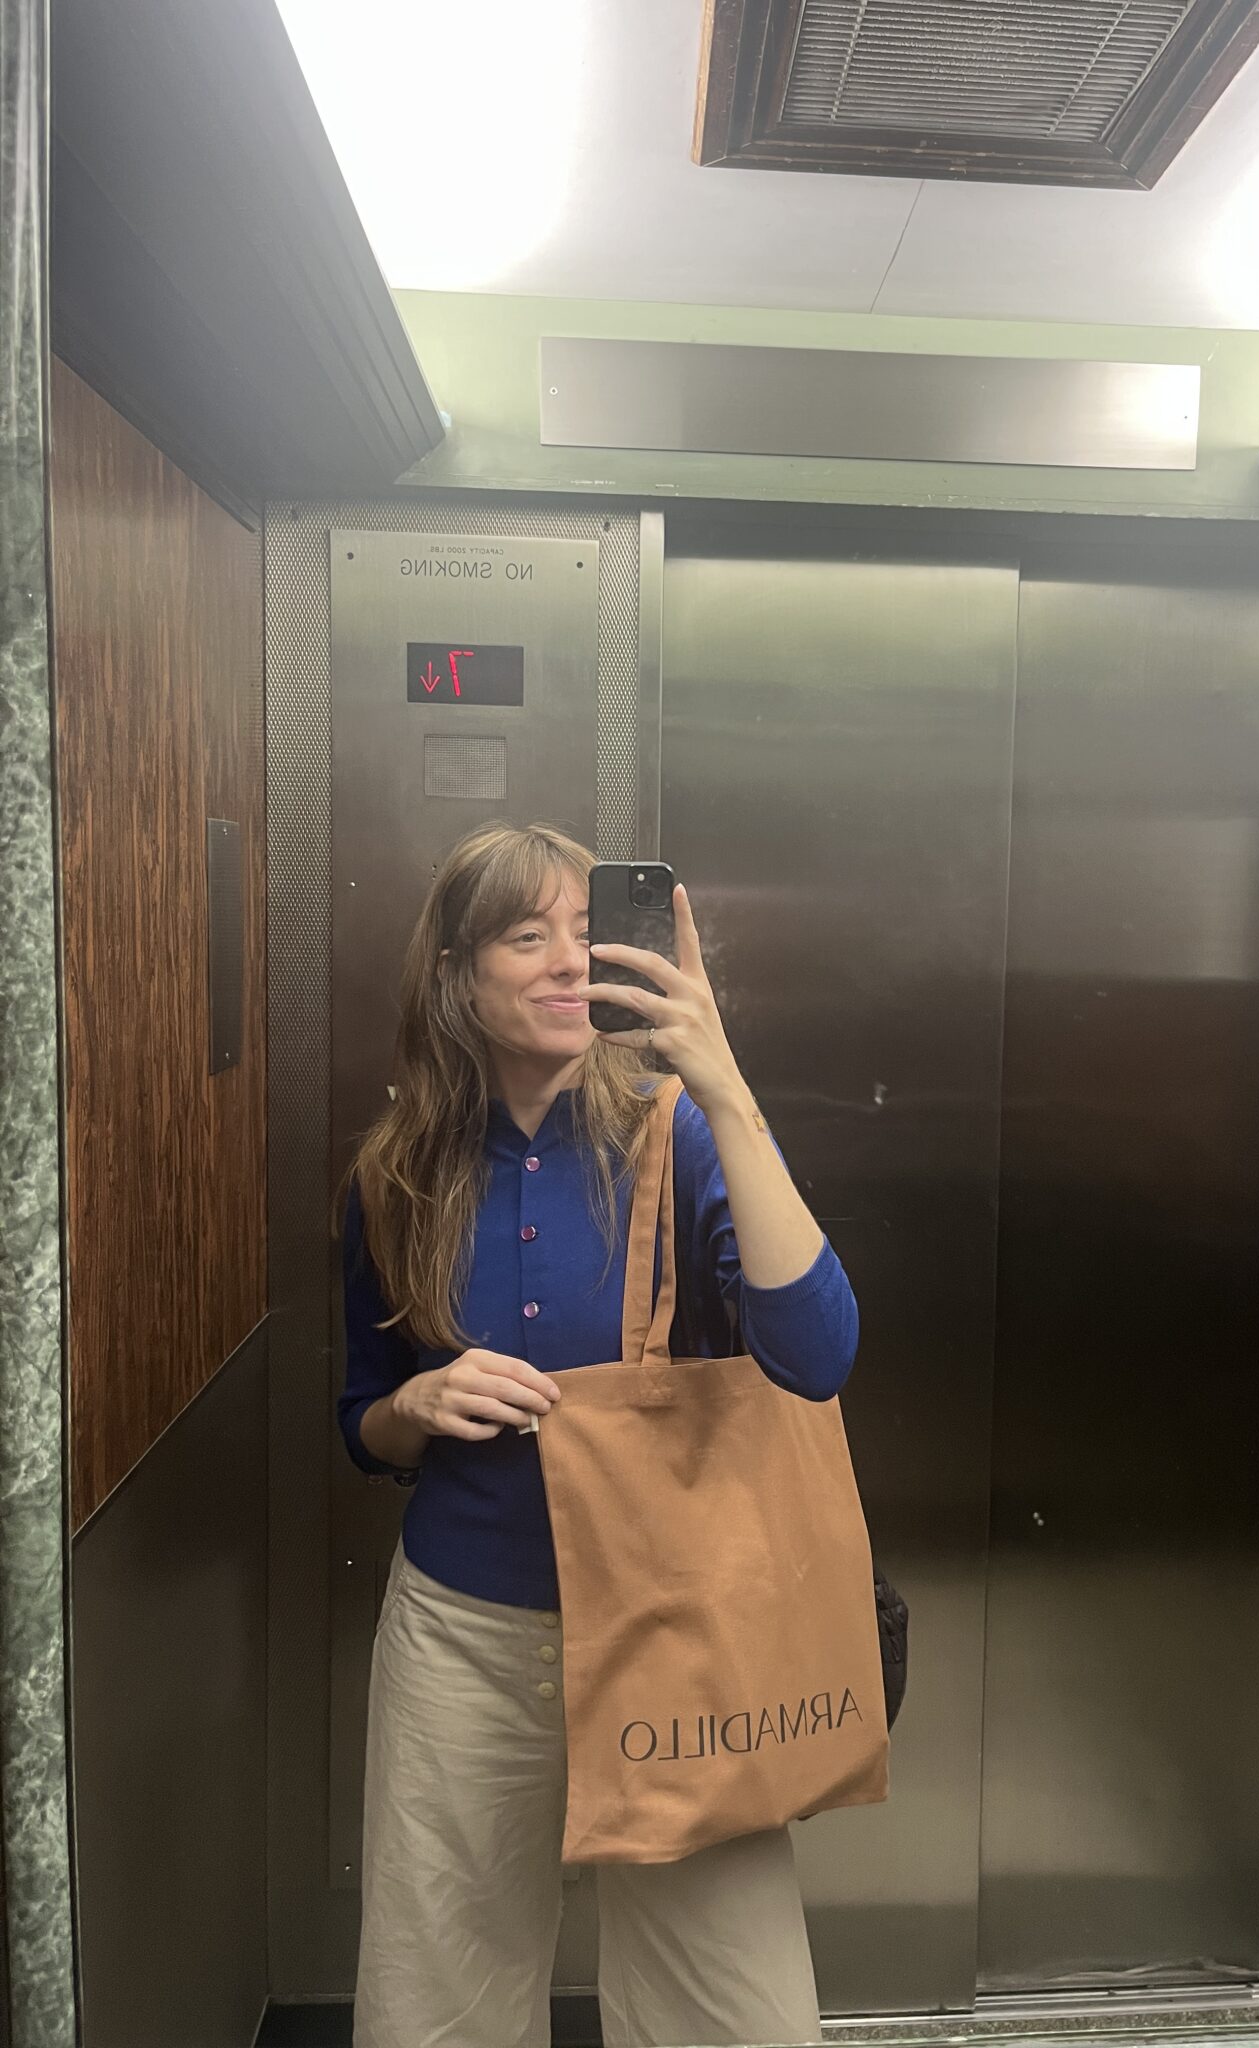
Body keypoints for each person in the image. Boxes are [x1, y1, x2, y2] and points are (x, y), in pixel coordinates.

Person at [339, 821, 858, 2048]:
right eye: (529, 936)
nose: (572, 960)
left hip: (678, 1627)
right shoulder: (396, 1174)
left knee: (733, 2016)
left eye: (588, 929)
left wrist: (722, 1082)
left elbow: (817, 1352)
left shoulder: (683, 1131)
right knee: (438, 2006)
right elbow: (361, 1421)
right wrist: (415, 1405)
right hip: (463, 1641)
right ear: (459, 974)